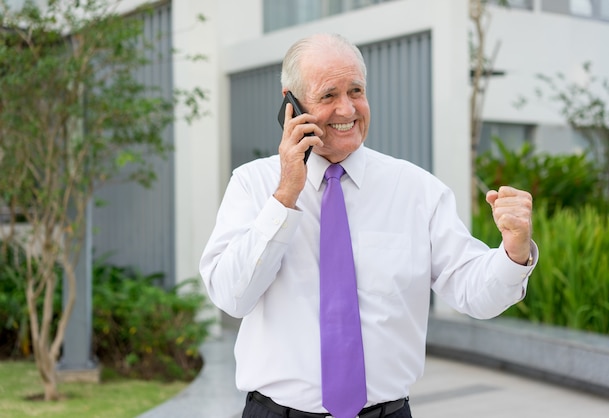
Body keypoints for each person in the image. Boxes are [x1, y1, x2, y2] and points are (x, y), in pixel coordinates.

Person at [199, 33, 538, 418]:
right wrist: (285, 196)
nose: (347, 109)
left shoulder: (417, 190)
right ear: (291, 103)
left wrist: (514, 251)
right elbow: (231, 296)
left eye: (356, 90)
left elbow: (474, 294)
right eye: (328, 95)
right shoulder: (253, 184)